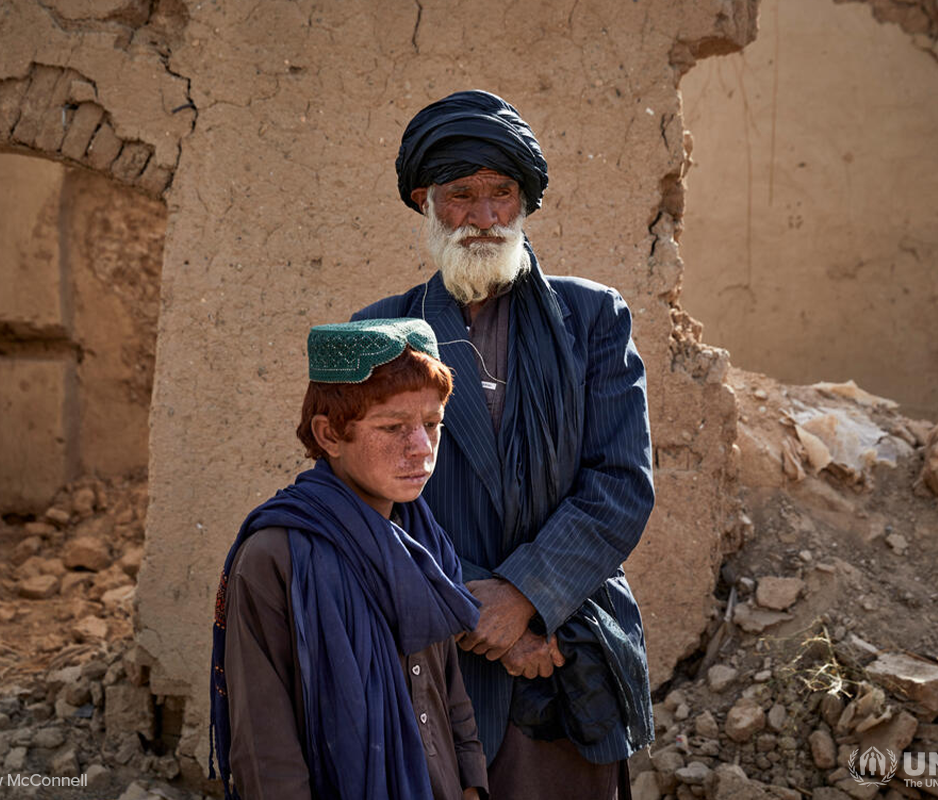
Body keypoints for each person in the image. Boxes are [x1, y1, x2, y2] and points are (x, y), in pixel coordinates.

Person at [352, 90, 655, 799]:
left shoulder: (593, 318)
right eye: (463, 197)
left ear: (525, 201)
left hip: (560, 650)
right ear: (426, 200)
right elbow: (361, 503)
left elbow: (621, 483)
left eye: (502, 195)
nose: (485, 218)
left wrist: (525, 594)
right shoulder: (378, 331)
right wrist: (474, 612)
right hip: (427, 653)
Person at [208, 318, 490, 800]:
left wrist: (471, 785)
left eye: (431, 424)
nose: (421, 448)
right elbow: (263, 743)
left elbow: (446, 695)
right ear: (330, 434)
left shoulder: (423, 539)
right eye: (393, 427)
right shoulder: (276, 557)